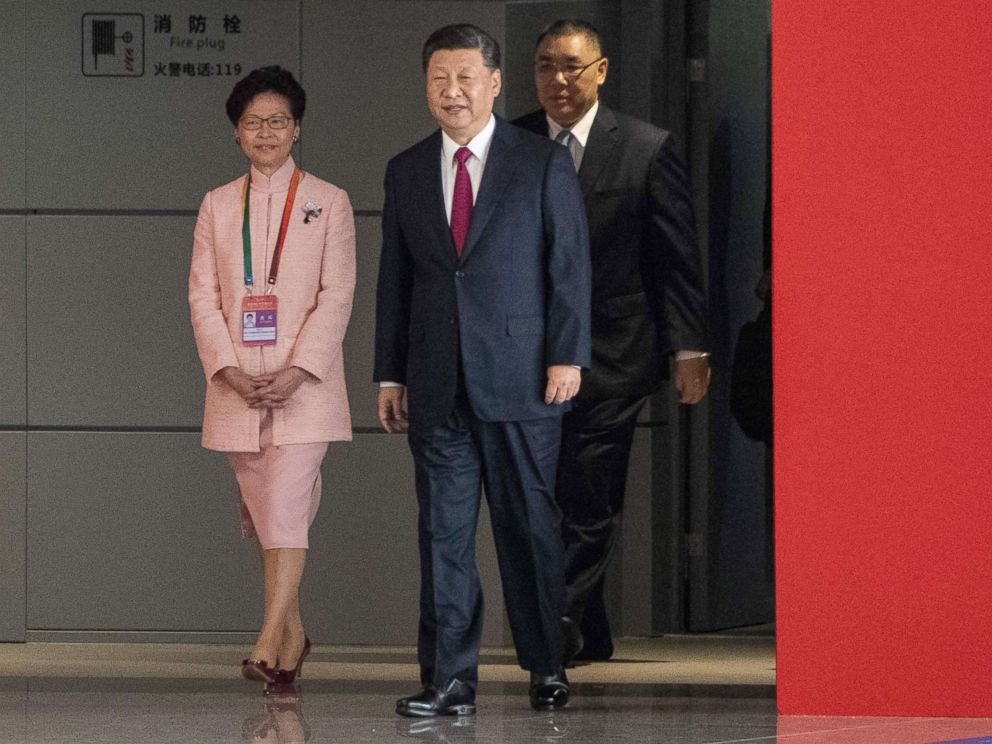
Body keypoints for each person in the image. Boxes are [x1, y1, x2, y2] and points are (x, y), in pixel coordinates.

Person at [374, 24, 591, 717]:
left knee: (528, 526)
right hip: (437, 382)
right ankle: (449, 680)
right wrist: (389, 373)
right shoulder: (406, 168)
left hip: (525, 375)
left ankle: (547, 665)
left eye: (466, 77)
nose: (452, 91)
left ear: (495, 84)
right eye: (440, 78)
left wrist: (567, 353)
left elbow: (568, 266)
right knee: (442, 533)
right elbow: (395, 281)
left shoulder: (539, 161)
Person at [514, 20, 710, 663]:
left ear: (600, 71)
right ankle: (587, 627)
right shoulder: (510, 143)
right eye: (546, 66)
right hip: (528, 356)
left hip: (614, 351)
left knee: (590, 491)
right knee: (543, 492)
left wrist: (689, 349)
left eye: (571, 66)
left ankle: (559, 621)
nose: (558, 79)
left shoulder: (647, 147)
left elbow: (674, 258)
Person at [188, 65, 356, 687]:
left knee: (285, 502)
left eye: (278, 121)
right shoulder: (215, 203)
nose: (266, 132)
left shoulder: (328, 200)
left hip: (303, 388)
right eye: (253, 122)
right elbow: (203, 296)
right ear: (236, 132)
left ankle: (264, 640)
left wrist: (298, 370)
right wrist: (227, 368)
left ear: (297, 128)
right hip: (236, 386)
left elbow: (337, 294)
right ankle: (292, 636)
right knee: (264, 515)